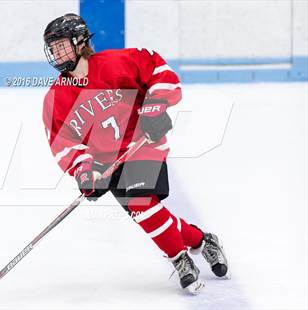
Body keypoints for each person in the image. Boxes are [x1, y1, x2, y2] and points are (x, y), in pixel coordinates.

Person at [42, 13, 229, 294]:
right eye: (52, 48)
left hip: (144, 142)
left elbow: (159, 70)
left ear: (80, 42)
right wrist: (84, 170)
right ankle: (203, 240)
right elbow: (63, 142)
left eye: (61, 45)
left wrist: (155, 106)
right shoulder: (57, 96)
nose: (56, 53)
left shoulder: (116, 63)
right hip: (106, 161)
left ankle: (181, 261)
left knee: (142, 205)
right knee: (149, 214)